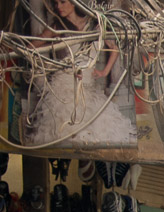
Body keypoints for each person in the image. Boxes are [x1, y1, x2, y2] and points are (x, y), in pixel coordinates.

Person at [26, 0, 136, 148]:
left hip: (87, 86)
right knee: (65, 128)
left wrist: (105, 71)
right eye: (56, 3)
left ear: (74, 3)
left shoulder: (94, 24)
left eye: (63, 2)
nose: (59, 7)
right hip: (64, 86)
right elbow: (32, 46)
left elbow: (114, 48)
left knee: (98, 128)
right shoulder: (58, 27)